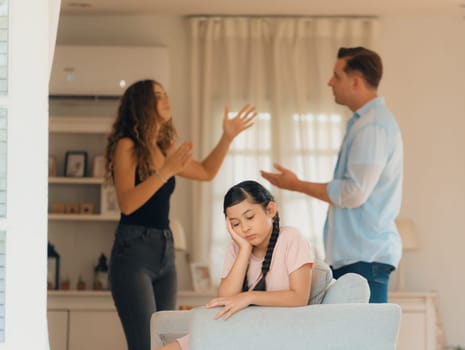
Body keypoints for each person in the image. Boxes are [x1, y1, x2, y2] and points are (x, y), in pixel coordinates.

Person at [105, 79, 257, 350]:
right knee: (144, 343)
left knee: (165, 340)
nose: (166, 100)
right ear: (141, 105)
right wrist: (167, 170)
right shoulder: (126, 146)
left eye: (165, 94)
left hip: (165, 249)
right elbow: (127, 203)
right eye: (157, 96)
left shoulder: (163, 149)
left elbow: (206, 172)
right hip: (133, 252)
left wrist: (227, 137)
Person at [261, 47, 403, 303]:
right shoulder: (365, 123)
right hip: (358, 258)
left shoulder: (372, 127)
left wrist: (296, 185)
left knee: (363, 341)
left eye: (336, 76)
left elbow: (353, 193)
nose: (330, 82)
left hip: (364, 260)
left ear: (356, 81)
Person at [160, 180, 314, 350]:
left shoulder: (291, 238)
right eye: (235, 224)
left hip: (271, 332)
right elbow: (226, 296)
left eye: (249, 217)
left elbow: (299, 297)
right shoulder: (236, 248)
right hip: (236, 328)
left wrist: (249, 296)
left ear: (270, 210)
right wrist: (245, 250)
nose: (245, 228)